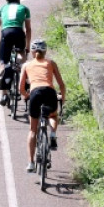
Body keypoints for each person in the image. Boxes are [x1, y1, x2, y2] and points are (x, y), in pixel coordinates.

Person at [19, 39, 67, 172]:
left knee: (33, 130)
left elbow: (21, 88)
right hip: (49, 93)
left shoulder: (27, 65)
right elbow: (61, 84)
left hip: (35, 93)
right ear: (45, 52)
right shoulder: (51, 63)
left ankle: (31, 163)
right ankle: (52, 134)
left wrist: (27, 95)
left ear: (33, 52)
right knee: (52, 114)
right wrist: (62, 98)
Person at [0, 0, 31, 106]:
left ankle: (4, 94)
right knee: (21, 56)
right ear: (18, 0)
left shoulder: (2, 8)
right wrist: (27, 47)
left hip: (6, 33)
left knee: (4, 63)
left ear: (7, 1)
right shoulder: (24, 8)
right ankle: (24, 77)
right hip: (19, 33)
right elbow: (28, 29)